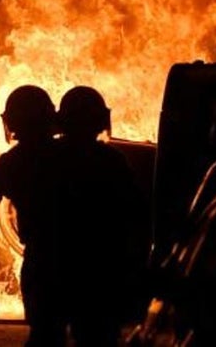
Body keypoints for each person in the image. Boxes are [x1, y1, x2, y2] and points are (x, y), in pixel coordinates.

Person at [54, 85, 146, 347]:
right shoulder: (112, 160)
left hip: (58, 265)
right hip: (101, 269)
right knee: (97, 337)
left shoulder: (48, 158)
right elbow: (133, 212)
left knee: (48, 334)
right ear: (100, 121)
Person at [0, 84, 65, 347]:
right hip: (82, 256)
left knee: (45, 334)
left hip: (40, 259)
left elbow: (4, 194)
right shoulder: (72, 155)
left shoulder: (7, 164)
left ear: (12, 122)